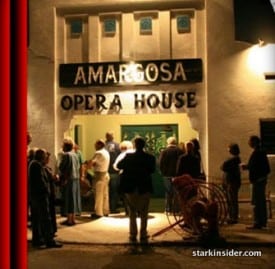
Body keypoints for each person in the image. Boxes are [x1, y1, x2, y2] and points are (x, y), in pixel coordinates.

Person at [117, 137, 156, 243]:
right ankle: (143, 233)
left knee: (132, 212)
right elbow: (152, 170)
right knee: (144, 212)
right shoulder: (150, 157)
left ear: (134, 145)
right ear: (144, 145)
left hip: (131, 187)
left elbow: (119, 165)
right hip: (144, 186)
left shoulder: (129, 157)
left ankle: (133, 234)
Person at [28, 148, 62, 248]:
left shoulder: (35, 164)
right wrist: (46, 191)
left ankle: (38, 240)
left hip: (36, 196)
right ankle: (49, 240)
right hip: (40, 196)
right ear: (41, 156)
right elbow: (41, 181)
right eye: (45, 156)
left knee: (38, 219)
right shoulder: (36, 165)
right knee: (45, 218)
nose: (46, 158)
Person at [241, 135, 271, 229]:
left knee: (257, 202)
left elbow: (259, 167)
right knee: (260, 202)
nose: (248, 143)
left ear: (254, 142)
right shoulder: (260, 152)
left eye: (250, 141)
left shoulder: (258, 152)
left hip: (257, 181)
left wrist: (247, 167)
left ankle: (257, 222)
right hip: (259, 180)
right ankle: (262, 222)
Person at [58, 137, 82, 226]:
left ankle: (69, 220)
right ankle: (73, 219)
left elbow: (62, 167)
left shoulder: (66, 155)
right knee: (74, 199)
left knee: (68, 199)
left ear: (66, 147)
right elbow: (78, 166)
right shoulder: (75, 155)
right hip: (75, 178)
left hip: (68, 179)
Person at [159, 136, 185, 214]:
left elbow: (160, 163)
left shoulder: (164, 152)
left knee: (168, 192)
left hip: (167, 175)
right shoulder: (180, 151)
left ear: (168, 143)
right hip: (177, 175)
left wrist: (162, 172)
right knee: (177, 191)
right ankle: (176, 209)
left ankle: (167, 209)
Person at [88, 139, 110, 219]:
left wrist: (88, 164)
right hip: (106, 174)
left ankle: (98, 213)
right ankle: (105, 210)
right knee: (105, 194)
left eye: (95, 144)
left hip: (99, 175)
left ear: (99, 145)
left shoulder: (98, 153)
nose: (94, 146)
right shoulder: (106, 152)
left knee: (98, 194)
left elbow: (92, 163)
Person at [221, 143, 241, 224]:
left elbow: (223, 166)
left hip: (232, 182)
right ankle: (232, 216)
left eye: (229, 148)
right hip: (230, 182)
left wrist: (224, 164)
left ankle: (233, 217)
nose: (228, 150)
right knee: (231, 200)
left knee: (232, 200)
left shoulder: (234, 159)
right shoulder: (234, 159)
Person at [105, 131, 121, 213]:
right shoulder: (117, 145)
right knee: (114, 191)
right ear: (113, 136)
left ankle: (105, 208)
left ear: (106, 137)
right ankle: (113, 208)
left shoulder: (103, 146)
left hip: (104, 171)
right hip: (114, 171)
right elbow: (120, 157)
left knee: (105, 191)